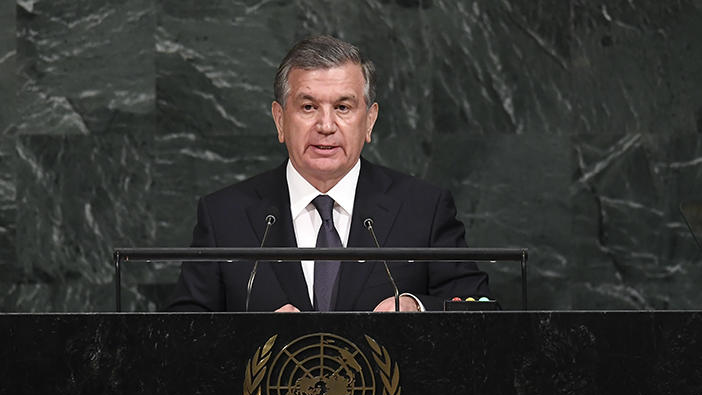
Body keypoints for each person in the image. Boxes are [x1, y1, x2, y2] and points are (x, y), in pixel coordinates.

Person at [167, 35, 492, 312]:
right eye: (308, 107)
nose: (325, 126)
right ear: (280, 120)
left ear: (369, 121)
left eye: (343, 108)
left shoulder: (424, 209)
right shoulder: (225, 215)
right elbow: (180, 334)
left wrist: (417, 308)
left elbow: (481, 311)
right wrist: (248, 337)